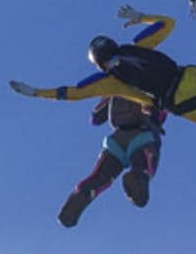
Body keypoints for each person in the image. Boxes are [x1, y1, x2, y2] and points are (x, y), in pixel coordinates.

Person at [11, 6, 196, 140]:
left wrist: (36, 93)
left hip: (182, 98)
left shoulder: (111, 80)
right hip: (193, 75)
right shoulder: (137, 46)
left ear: (100, 65)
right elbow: (167, 23)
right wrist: (141, 17)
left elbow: (74, 93)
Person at [59, 93, 166, 227]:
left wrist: (108, 95)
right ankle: (138, 178)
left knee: (100, 177)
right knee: (144, 164)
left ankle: (82, 194)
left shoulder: (114, 87)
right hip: (143, 133)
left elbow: (96, 118)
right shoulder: (153, 86)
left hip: (117, 138)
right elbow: (161, 112)